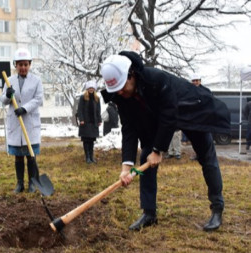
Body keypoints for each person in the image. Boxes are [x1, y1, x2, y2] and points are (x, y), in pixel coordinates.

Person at [100, 51, 230, 232]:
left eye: (122, 87)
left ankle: (217, 208)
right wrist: (126, 165)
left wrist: (158, 150)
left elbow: (170, 115)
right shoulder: (121, 96)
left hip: (189, 110)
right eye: (117, 90)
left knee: (206, 156)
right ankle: (149, 213)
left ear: (131, 75)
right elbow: (129, 128)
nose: (120, 92)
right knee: (146, 155)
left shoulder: (156, 79)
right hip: (158, 118)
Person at [0, 48, 43, 193]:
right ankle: (20, 184)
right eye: (20, 64)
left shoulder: (36, 81)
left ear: (29, 65)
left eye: (26, 64)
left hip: (30, 122)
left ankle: (32, 183)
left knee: (31, 155)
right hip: (15, 124)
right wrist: (7, 95)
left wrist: (24, 109)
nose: (23, 67)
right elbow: (3, 100)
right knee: (18, 156)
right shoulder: (9, 81)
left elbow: (38, 99)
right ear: (16, 66)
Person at [77, 80, 102, 164]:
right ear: (87, 89)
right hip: (85, 122)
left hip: (93, 122)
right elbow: (80, 110)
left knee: (91, 140)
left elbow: (98, 110)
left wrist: (99, 120)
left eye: (92, 88)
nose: (91, 89)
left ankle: (91, 157)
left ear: (94, 89)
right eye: (90, 88)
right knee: (86, 140)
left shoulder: (97, 98)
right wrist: (81, 119)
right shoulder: (83, 97)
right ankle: (87, 157)